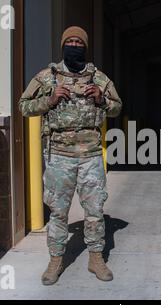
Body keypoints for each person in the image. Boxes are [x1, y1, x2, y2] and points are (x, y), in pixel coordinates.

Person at [19, 26, 122, 286]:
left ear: (85, 47)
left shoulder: (98, 78)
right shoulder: (47, 77)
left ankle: (96, 257)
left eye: (79, 42)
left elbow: (117, 108)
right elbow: (23, 106)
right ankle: (56, 260)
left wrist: (102, 99)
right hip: (59, 156)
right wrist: (49, 101)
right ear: (63, 45)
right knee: (58, 212)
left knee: (95, 210)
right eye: (70, 41)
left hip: (90, 155)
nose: (74, 45)